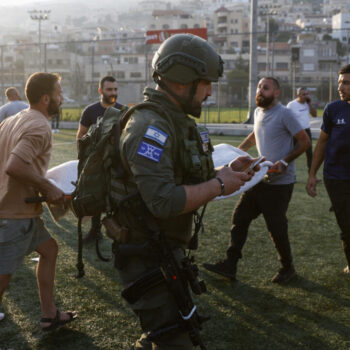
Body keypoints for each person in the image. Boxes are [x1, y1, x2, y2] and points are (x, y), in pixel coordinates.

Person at [115, 34, 255, 349]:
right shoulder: (149, 128)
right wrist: (219, 185)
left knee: (170, 331)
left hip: (162, 248)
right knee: (175, 340)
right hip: (144, 254)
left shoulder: (173, 121)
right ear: (181, 81)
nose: (209, 92)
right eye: (206, 83)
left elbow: (182, 178)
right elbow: (164, 200)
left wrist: (226, 172)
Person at [204, 77, 310, 284]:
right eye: (259, 87)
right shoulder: (258, 112)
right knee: (239, 219)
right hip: (258, 179)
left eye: (266, 88)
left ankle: (287, 268)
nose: (260, 91)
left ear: (276, 93)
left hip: (280, 184)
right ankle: (230, 264)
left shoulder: (285, 114)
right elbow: (255, 135)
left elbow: (304, 142)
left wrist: (284, 162)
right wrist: (236, 152)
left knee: (276, 227)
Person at [0, 72, 77, 330]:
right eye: (58, 94)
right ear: (46, 99)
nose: (62, 99)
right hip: (12, 215)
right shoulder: (38, 125)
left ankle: (49, 313)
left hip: (22, 210)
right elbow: (14, 165)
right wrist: (47, 186)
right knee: (2, 275)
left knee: (49, 249)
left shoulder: (13, 120)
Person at [306, 64, 350, 275]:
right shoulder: (333, 109)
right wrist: (312, 174)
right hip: (336, 177)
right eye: (340, 82)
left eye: (347, 83)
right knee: (347, 225)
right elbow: (322, 143)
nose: (341, 87)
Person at [76, 75, 126, 245]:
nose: (113, 92)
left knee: (118, 198)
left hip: (116, 163)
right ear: (100, 91)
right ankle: (95, 231)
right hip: (96, 163)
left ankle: (120, 234)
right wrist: (83, 159)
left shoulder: (123, 110)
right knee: (95, 195)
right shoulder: (91, 111)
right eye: (109, 89)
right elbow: (81, 134)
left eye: (115, 89)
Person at [287, 87, 317, 173]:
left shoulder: (307, 104)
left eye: (307, 94)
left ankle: (312, 175)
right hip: (295, 132)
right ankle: (289, 173)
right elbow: (287, 119)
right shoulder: (291, 105)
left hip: (307, 131)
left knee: (310, 153)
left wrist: (310, 104)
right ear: (298, 95)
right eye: (303, 94)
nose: (306, 96)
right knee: (291, 153)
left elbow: (314, 115)